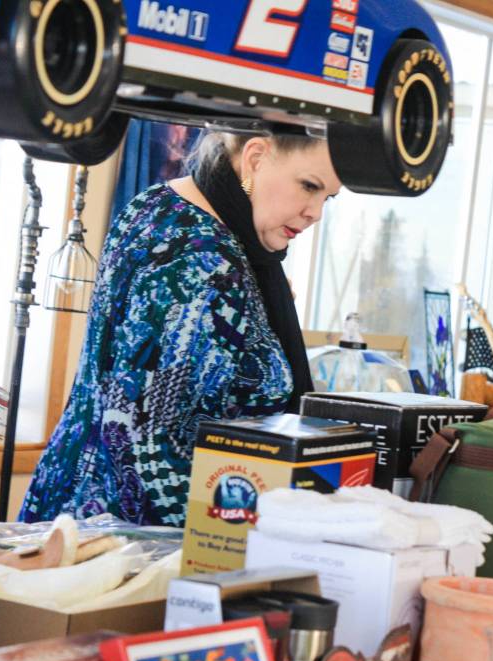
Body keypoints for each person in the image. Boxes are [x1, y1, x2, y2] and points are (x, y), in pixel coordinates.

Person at [20, 131, 342, 527]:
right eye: (308, 186)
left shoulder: (158, 204)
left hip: (75, 497)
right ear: (255, 158)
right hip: (127, 538)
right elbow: (148, 450)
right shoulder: (205, 263)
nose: (315, 212)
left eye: (327, 197)